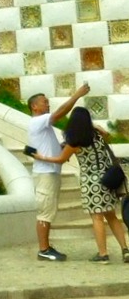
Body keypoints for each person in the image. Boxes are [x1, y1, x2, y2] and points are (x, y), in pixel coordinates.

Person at [34, 105, 129, 263]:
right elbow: (107, 137)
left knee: (97, 218)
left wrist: (41, 157)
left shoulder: (75, 142)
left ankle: (103, 254)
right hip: (107, 179)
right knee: (112, 217)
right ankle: (125, 250)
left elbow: (60, 159)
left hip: (91, 182)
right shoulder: (98, 134)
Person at [27, 82, 89, 261]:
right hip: (45, 173)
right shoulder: (38, 121)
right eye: (44, 102)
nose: (47, 104)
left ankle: (45, 247)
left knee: (48, 210)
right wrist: (76, 95)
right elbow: (61, 112)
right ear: (34, 106)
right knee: (45, 212)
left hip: (50, 172)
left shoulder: (42, 126)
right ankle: (44, 250)